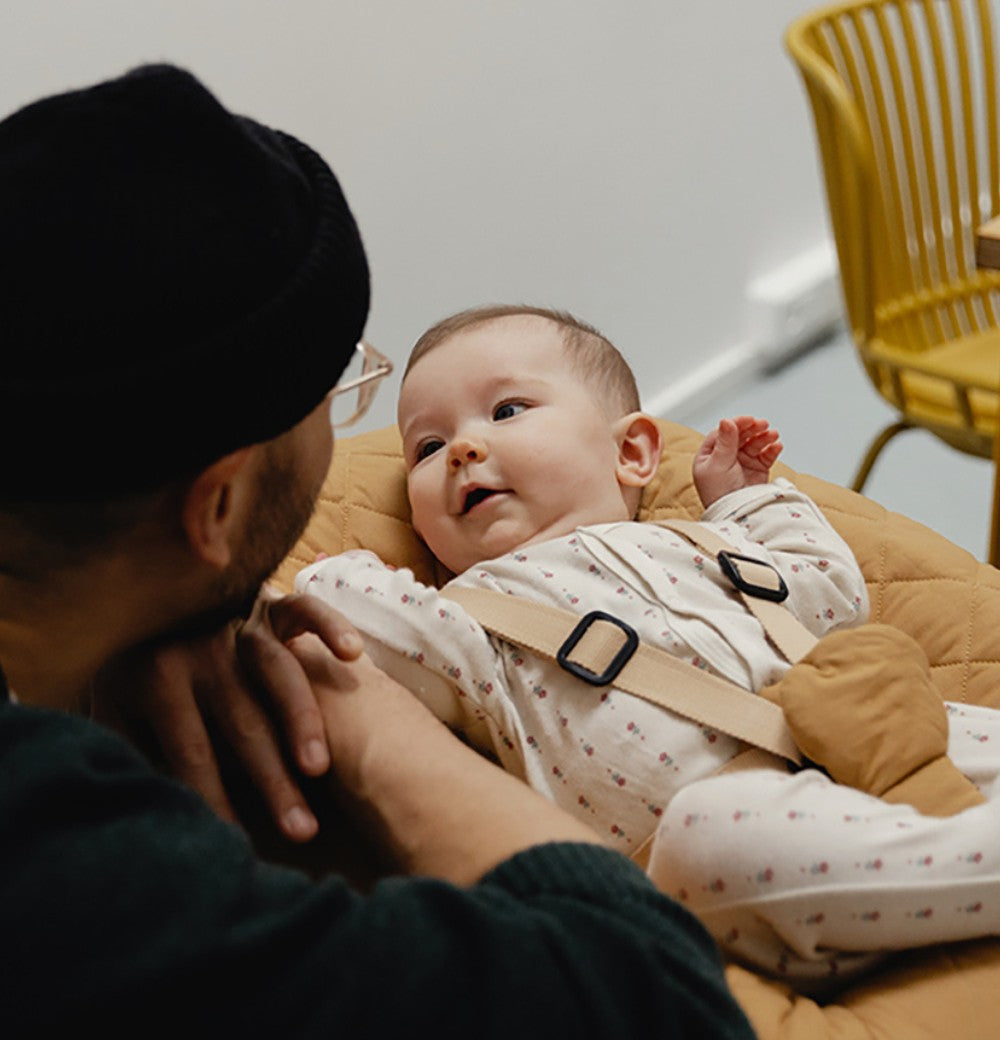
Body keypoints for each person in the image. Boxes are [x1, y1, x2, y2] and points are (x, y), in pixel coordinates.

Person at [0, 71, 768, 1040]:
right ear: (223, 500)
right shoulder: (82, 901)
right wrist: (374, 724)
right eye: (365, 405)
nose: (452, 455)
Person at [295, 305, 1000, 992]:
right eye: (426, 447)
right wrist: (330, 577)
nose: (464, 448)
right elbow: (373, 634)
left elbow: (832, 599)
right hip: (736, 836)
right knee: (706, 840)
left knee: (966, 725)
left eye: (506, 411)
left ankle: (953, 859)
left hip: (878, 745)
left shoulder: (700, 540)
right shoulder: (471, 622)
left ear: (631, 452)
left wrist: (745, 504)